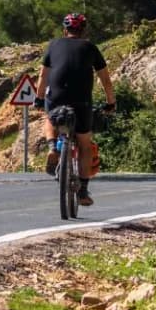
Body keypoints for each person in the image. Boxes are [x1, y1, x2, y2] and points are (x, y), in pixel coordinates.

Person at [41, 12, 114, 207]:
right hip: (82, 102)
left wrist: (40, 99)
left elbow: (43, 76)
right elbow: (105, 79)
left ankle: (51, 147)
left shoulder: (54, 45)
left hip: (57, 98)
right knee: (85, 145)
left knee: (49, 117)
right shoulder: (90, 47)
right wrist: (111, 102)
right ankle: (82, 191)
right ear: (83, 31)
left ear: (65, 30)